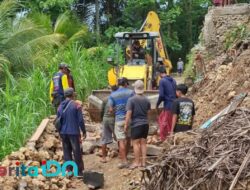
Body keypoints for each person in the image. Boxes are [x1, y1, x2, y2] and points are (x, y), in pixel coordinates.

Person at [57, 88, 86, 177]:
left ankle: (69, 171)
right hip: (73, 132)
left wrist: (60, 132)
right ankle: (79, 172)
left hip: (63, 133)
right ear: (73, 95)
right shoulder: (76, 105)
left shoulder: (60, 106)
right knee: (76, 151)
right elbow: (80, 120)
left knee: (67, 151)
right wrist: (84, 131)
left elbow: (58, 120)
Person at [108, 77, 133, 169]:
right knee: (128, 139)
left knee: (121, 140)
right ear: (126, 84)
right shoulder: (130, 93)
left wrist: (117, 110)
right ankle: (126, 156)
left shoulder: (113, 94)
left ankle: (124, 161)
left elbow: (110, 110)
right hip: (129, 119)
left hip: (119, 119)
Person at [125, 80, 151, 169]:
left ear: (135, 88)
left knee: (135, 143)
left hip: (136, 124)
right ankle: (143, 162)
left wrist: (126, 125)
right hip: (145, 124)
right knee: (143, 143)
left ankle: (137, 162)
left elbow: (129, 113)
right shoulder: (147, 99)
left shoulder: (131, 100)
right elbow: (148, 113)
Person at [156, 67, 177, 141]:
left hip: (168, 105)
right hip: (174, 104)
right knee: (165, 120)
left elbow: (161, 95)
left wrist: (157, 104)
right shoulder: (173, 80)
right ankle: (169, 137)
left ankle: (165, 140)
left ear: (159, 74)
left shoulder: (162, 81)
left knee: (165, 124)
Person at [100, 85, 118, 163]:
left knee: (104, 138)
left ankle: (104, 157)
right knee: (118, 137)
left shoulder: (105, 99)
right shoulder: (117, 99)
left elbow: (101, 111)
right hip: (113, 119)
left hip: (105, 119)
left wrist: (101, 119)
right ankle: (121, 156)